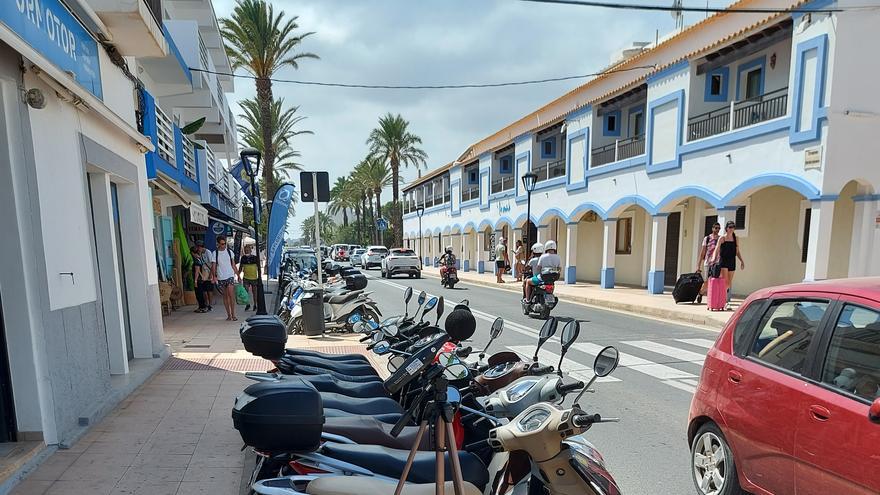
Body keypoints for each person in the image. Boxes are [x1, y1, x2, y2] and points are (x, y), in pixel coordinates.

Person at [712, 221, 745, 310]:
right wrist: (714, 258)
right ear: (726, 228)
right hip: (724, 261)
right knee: (725, 281)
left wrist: (741, 260)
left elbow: (737, 251)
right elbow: (717, 249)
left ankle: (722, 299)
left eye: (733, 227)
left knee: (729, 283)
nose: (731, 229)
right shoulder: (722, 238)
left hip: (732, 261)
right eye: (730, 227)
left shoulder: (736, 238)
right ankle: (725, 302)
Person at [214, 235, 241, 321]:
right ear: (218, 244)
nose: (224, 245)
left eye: (225, 243)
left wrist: (238, 275)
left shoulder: (230, 252)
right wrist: (213, 276)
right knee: (225, 296)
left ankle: (233, 314)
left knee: (231, 294)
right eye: (222, 244)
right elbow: (213, 266)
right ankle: (228, 315)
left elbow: (233, 265)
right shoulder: (215, 253)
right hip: (221, 276)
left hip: (229, 275)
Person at [695, 223, 721, 304]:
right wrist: (698, 266)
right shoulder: (707, 238)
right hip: (708, 262)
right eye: (716, 228)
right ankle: (701, 293)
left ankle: (712, 298)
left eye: (719, 228)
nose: (717, 230)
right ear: (712, 228)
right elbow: (702, 253)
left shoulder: (721, 239)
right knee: (706, 281)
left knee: (715, 281)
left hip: (717, 263)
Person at [239, 244, 260, 312]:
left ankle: (255, 305)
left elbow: (259, 267)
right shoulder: (243, 258)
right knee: (246, 292)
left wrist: (260, 276)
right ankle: (247, 304)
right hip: (246, 278)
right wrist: (238, 275)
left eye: (247, 250)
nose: (246, 251)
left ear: (251, 250)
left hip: (254, 278)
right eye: (245, 250)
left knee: (255, 292)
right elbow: (240, 267)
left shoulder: (255, 258)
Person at [197, 240, 214, 311]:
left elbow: (212, 264)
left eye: (199, 247)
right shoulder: (199, 253)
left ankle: (210, 304)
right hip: (203, 274)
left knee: (209, 290)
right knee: (204, 290)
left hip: (209, 272)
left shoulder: (208, 252)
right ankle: (206, 304)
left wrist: (211, 274)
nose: (198, 249)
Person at [190, 246, 207, 313]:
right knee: (200, 293)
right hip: (200, 279)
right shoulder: (200, 259)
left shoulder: (196, 261)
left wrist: (195, 281)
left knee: (199, 294)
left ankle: (202, 307)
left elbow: (197, 271)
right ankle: (202, 306)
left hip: (198, 280)